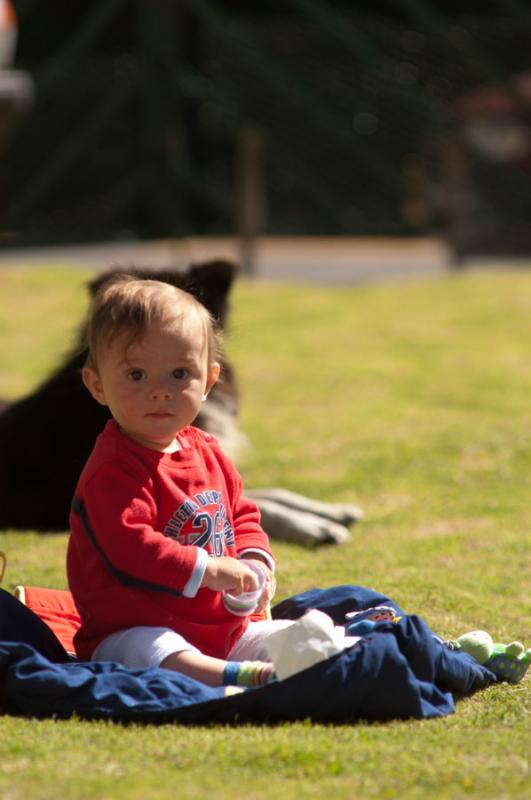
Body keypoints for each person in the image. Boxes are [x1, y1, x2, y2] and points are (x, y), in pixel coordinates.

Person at [67, 276, 294, 690]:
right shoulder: (114, 469)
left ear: (209, 381)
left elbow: (241, 514)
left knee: (278, 636)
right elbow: (131, 546)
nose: (160, 392)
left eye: (178, 374)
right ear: (97, 386)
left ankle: (323, 656)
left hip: (218, 624)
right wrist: (209, 569)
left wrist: (255, 562)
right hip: (131, 625)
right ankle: (235, 678)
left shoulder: (206, 449)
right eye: (136, 375)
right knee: (152, 648)